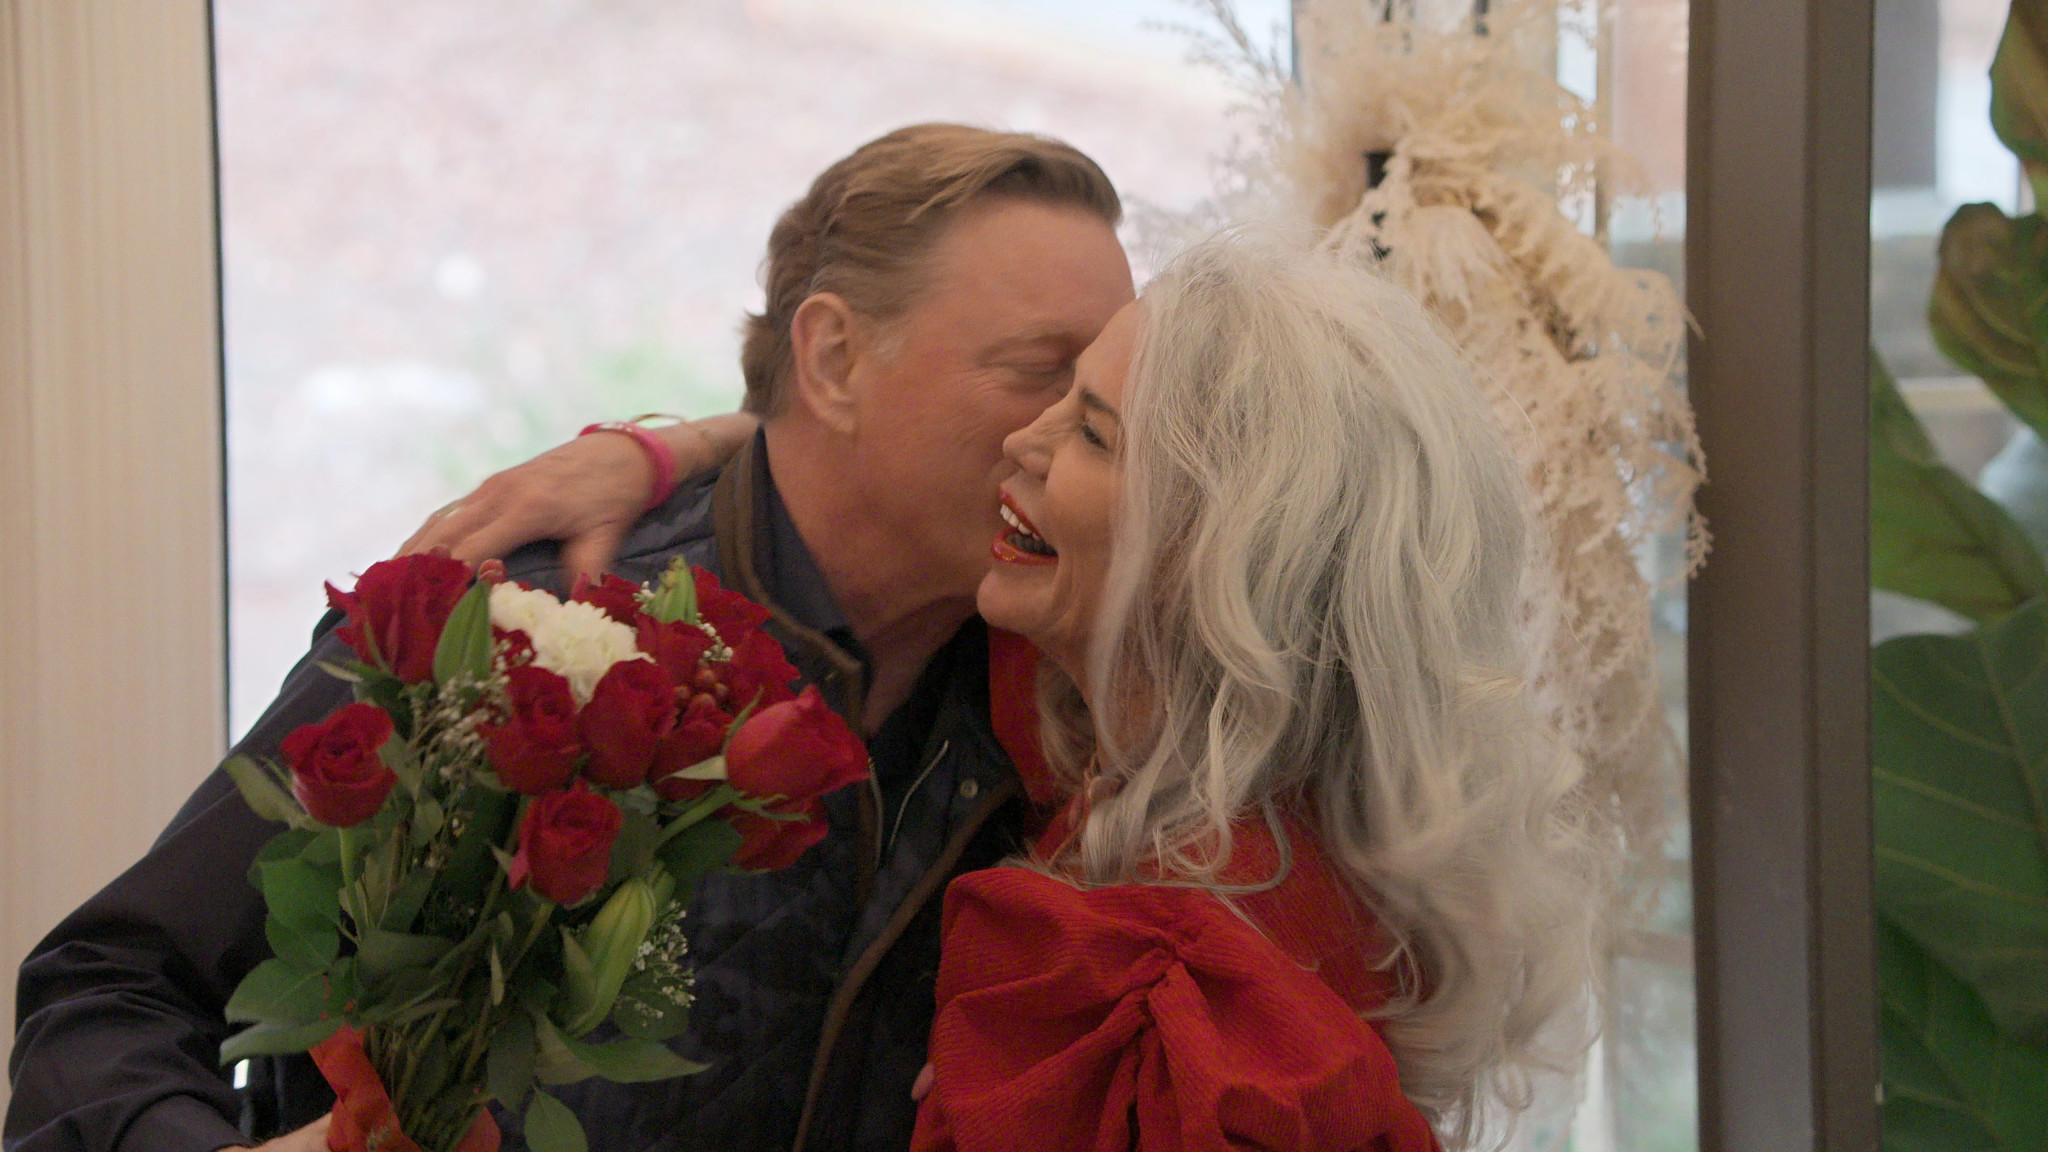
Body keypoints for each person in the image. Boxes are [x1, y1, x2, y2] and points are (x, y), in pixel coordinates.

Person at [6, 123, 1133, 1152]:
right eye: (1040, 373)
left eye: (1099, 406)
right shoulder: (522, 631)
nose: (1060, 439)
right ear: (832, 360)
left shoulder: (1061, 681)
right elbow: (109, 989)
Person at [411, 235, 1609, 1148]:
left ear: (1209, 546)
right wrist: (665, 449)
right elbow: (872, 466)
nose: (1022, 444)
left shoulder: (1169, 981)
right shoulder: (1145, 735)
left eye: (1088, 431)